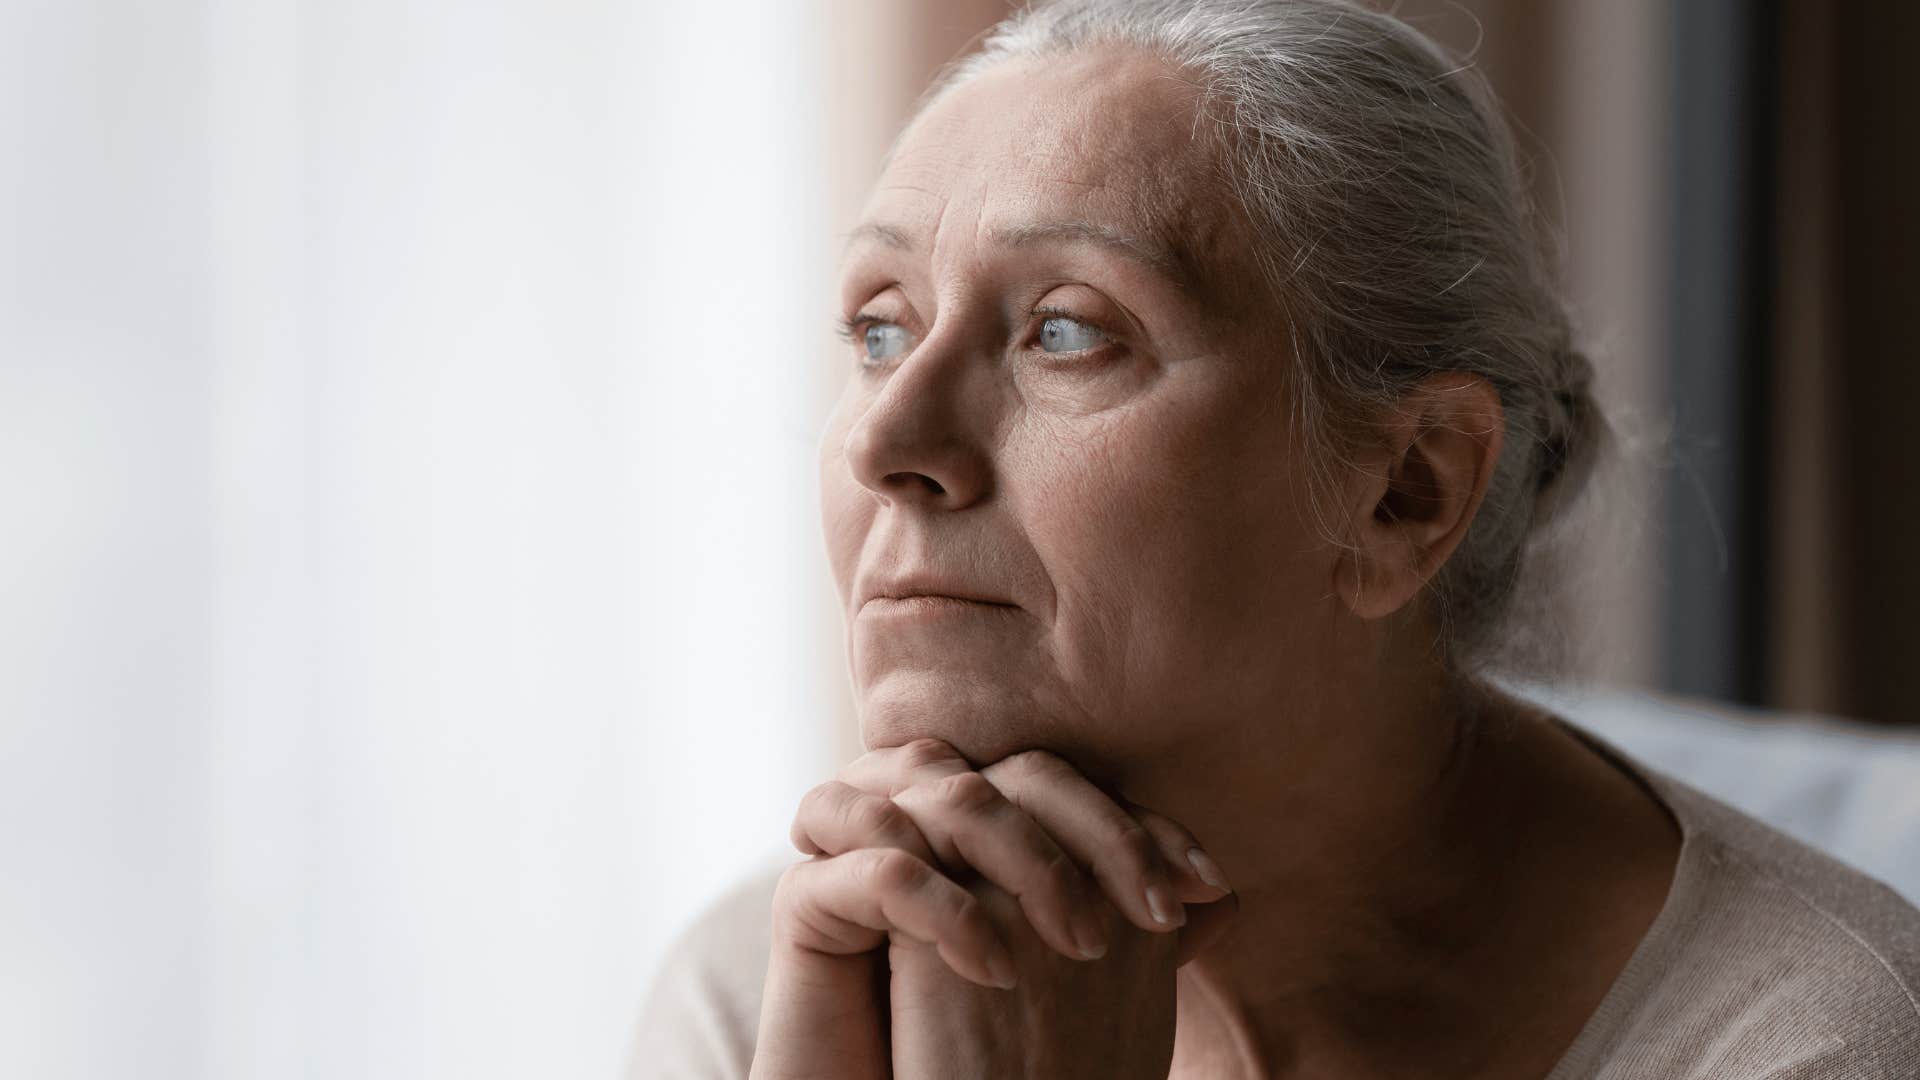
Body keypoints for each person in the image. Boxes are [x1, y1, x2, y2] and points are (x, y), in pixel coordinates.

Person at [636, 0, 1920, 1075]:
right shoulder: (770, 993)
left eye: (1069, 331)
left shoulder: (1812, 1046)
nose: (886, 439)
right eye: (880, 328)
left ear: (1404, 492)